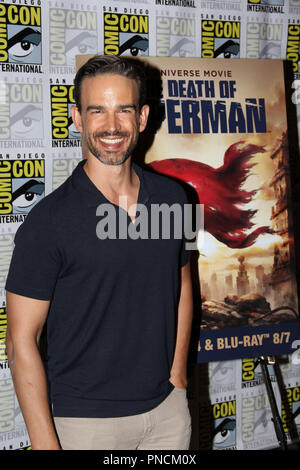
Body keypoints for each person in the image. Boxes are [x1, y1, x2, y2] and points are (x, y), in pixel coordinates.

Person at [5, 55, 193, 450]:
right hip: (84, 425)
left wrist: (177, 379)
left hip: (166, 416)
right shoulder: (48, 223)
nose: (111, 125)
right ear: (77, 118)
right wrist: (44, 443)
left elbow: (182, 285)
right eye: (97, 111)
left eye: (124, 110)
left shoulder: (175, 199)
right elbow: (21, 339)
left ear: (142, 117)